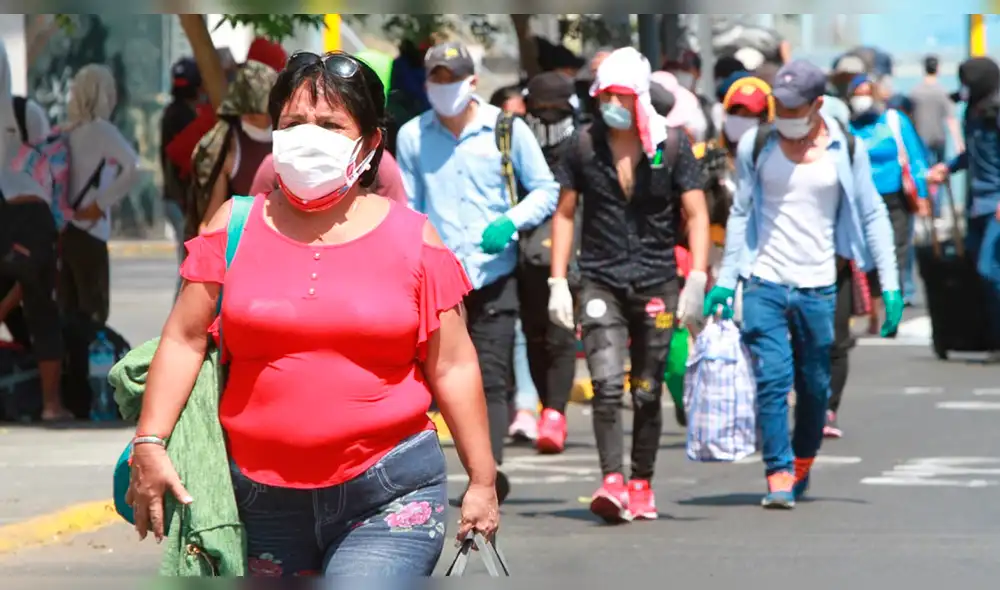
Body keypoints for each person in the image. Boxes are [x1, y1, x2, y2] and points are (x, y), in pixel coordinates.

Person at [125, 51, 498, 576]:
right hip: (256, 502)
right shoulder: (232, 227)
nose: (308, 137)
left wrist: (481, 480)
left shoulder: (414, 239)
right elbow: (184, 340)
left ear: (369, 143)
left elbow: (453, 365)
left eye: (329, 124)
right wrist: (149, 443)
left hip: (388, 496)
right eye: (293, 123)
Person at [704, 60, 901, 509]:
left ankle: (802, 461)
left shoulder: (846, 148)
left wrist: (889, 286)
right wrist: (726, 279)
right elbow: (740, 215)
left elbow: (873, 215)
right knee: (773, 380)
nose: (784, 115)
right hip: (765, 281)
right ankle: (777, 471)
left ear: (816, 105)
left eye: (794, 108)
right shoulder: (758, 144)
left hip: (818, 285)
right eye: (779, 106)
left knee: (814, 385)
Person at [549, 47, 710, 522]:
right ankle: (612, 482)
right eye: (603, 95)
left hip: (658, 280)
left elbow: (697, 214)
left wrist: (697, 278)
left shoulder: (673, 146)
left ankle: (641, 482)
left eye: (619, 95)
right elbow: (564, 214)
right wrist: (559, 280)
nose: (609, 104)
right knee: (603, 383)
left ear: (639, 97)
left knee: (646, 387)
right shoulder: (581, 146)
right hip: (600, 278)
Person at [397, 41, 560, 502]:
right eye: (437, 79)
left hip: (494, 272)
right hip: (438, 279)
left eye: (453, 78)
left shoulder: (505, 130)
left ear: (472, 81)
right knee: (429, 375)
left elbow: (546, 189)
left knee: (490, 373)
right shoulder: (412, 136)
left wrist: (511, 220)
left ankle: (486, 471)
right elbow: (409, 207)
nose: (445, 87)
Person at [512, 71, 583, 453]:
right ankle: (543, 405)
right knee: (534, 336)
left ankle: (555, 413)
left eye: (558, 110)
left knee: (560, 334)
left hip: (571, 253)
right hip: (521, 253)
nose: (550, 118)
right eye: (542, 109)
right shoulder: (515, 140)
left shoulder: (582, 142)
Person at [0, 40, 68, 421]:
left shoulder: (26, 111)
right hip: (32, 218)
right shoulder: (27, 112)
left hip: (20, 218)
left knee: (37, 309)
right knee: (43, 311)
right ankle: (50, 404)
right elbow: (52, 170)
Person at [927, 57, 1000, 363]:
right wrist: (947, 167)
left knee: (989, 270)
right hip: (977, 205)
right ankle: (984, 335)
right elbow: (971, 154)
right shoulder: (973, 110)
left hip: (996, 204)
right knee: (973, 269)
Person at [848, 75, 929, 336]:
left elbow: (916, 158)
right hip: (861, 200)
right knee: (866, 257)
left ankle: (892, 312)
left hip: (895, 198)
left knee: (896, 253)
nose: (861, 98)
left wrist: (924, 194)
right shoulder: (847, 127)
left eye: (865, 92)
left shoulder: (894, 121)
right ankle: (873, 314)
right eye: (856, 93)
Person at [61, 64, 141, 327]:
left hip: (64, 230)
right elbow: (133, 167)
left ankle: (72, 369)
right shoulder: (101, 130)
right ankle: (85, 368)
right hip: (90, 231)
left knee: (68, 311)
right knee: (93, 313)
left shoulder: (68, 130)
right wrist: (101, 204)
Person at [188, 59, 277, 238]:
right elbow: (210, 221)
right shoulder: (226, 145)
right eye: (253, 113)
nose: (261, 118)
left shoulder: (289, 138)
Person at [161, 57, 203, 278]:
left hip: (175, 197)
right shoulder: (184, 116)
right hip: (181, 199)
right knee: (189, 265)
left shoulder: (172, 112)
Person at [910, 54, 964, 166]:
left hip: (920, 138)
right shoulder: (942, 92)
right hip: (939, 138)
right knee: (942, 170)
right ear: (938, 68)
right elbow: (951, 119)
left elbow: (910, 118)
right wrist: (959, 143)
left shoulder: (914, 93)